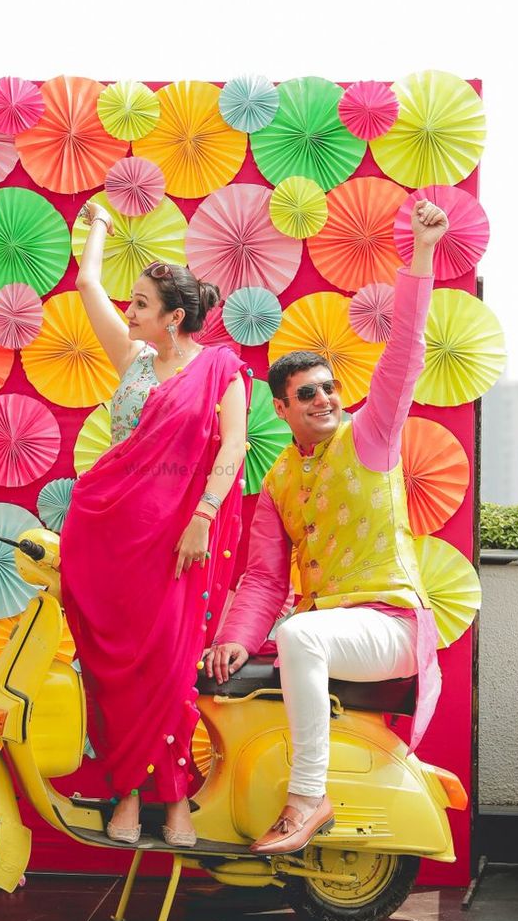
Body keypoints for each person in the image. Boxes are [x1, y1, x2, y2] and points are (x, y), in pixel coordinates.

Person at [204, 199, 450, 855]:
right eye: (307, 393)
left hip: (390, 624)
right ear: (281, 407)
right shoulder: (278, 480)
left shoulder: (370, 437)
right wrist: (233, 638)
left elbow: (404, 354)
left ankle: (308, 797)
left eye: (330, 387)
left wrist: (421, 254)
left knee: (300, 635)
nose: (325, 399)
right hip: (327, 633)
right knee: (250, 658)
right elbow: (261, 578)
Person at [60, 200, 250, 848]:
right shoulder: (133, 361)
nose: (129, 310)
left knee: (168, 669)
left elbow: (233, 449)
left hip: (179, 541)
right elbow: (87, 285)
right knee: (112, 668)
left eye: (140, 303)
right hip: (110, 534)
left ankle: (174, 803)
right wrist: (100, 230)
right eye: (131, 302)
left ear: (174, 317)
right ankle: (127, 792)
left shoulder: (220, 370)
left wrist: (202, 515)